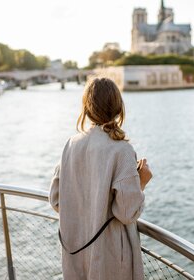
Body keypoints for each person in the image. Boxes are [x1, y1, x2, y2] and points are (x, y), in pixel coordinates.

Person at [49, 77, 152, 280]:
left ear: (86, 108)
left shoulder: (71, 144)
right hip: (110, 257)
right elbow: (126, 212)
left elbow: (56, 200)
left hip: (76, 250)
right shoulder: (121, 150)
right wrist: (141, 182)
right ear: (118, 107)